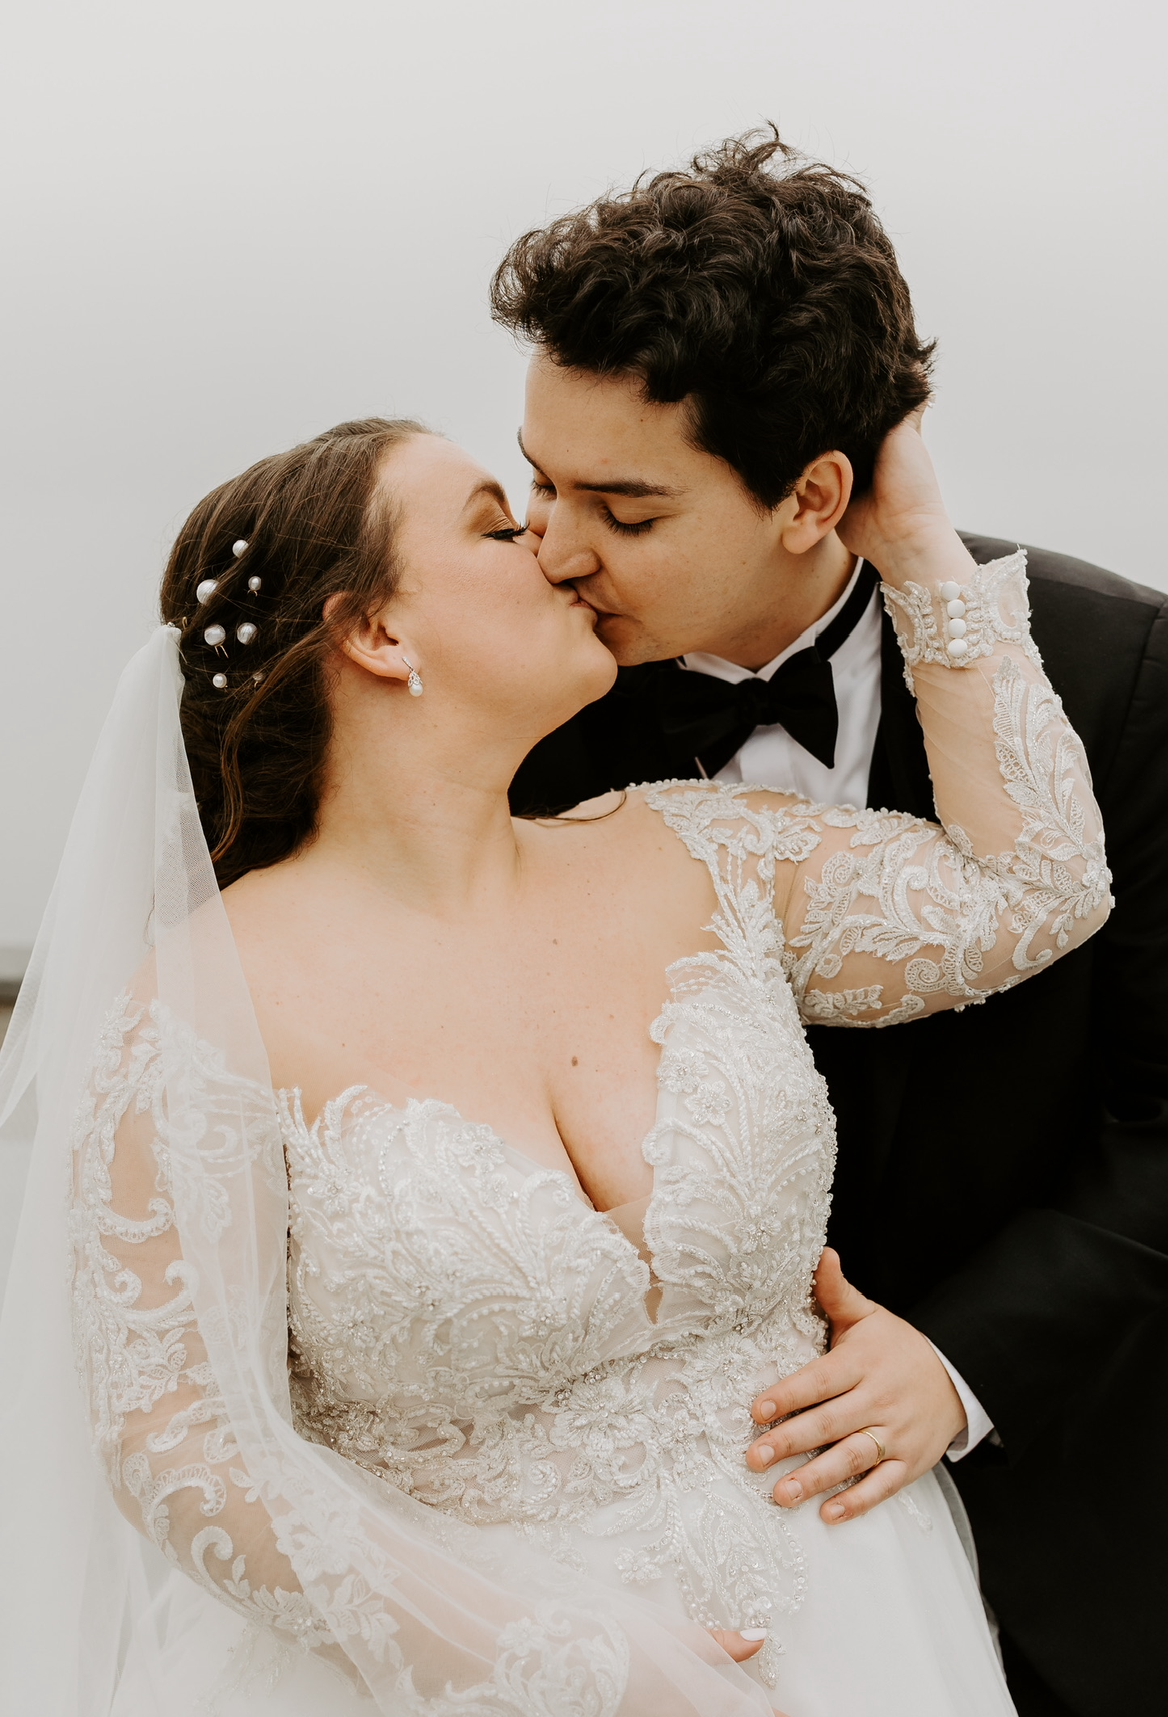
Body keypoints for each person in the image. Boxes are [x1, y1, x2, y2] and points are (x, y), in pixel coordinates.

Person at [0, 401, 1106, 1717]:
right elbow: (177, 1444)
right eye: (495, 524)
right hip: (458, 1677)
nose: (559, 547)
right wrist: (561, 1664)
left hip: (864, 1626)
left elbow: (1037, 891)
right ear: (376, 631)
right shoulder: (198, 1011)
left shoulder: (707, 855)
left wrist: (916, 537)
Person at [491, 129, 1168, 1717]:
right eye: (535, 481)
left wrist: (959, 1360)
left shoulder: (1123, 672)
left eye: (624, 507)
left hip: (1073, 1520)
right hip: (649, 1579)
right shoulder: (508, 718)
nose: (554, 549)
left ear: (815, 495)